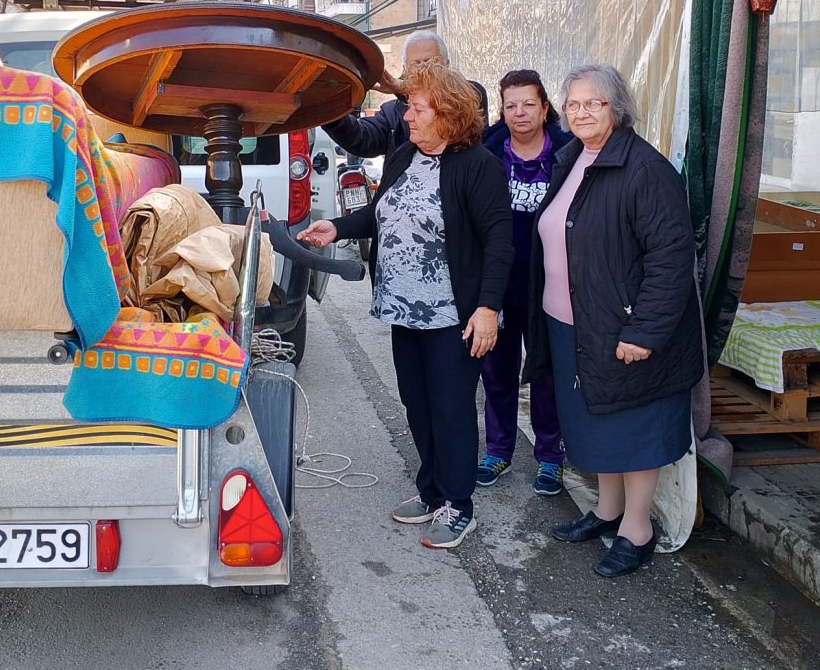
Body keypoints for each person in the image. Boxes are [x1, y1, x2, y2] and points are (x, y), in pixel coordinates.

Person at [298, 63, 513, 550]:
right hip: (404, 308)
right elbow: (379, 214)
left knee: (452, 407)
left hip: (452, 316)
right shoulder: (403, 157)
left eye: (415, 109)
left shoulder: (478, 166)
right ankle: (432, 489)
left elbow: (500, 243)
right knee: (417, 403)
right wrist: (337, 226)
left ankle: (459, 505)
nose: (406, 117)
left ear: (447, 112)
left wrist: (487, 308)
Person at [524, 64, 702, 578]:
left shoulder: (645, 169)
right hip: (571, 323)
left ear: (616, 109)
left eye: (593, 104)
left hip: (624, 327)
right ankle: (607, 511)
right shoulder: (574, 156)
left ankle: (638, 529)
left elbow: (670, 259)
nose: (580, 113)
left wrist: (644, 331)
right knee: (596, 421)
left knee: (634, 427)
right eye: (573, 104)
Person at [478, 70, 572, 496]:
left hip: (549, 287)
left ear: (545, 107)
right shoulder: (487, 153)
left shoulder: (569, 155)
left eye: (528, 104)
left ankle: (551, 457)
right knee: (496, 371)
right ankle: (498, 450)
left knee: (545, 372)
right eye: (511, 104)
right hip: (498, 286)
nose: (519, 113)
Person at [321, 31, 488, 163]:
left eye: (430, 62)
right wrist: (326, 107)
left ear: (447, 64)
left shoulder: (470, 95)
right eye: (416, 64)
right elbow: (361, 139)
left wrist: (401, 87)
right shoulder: (391, 113)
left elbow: (455, 101)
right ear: (405, 69)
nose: (424, 69)